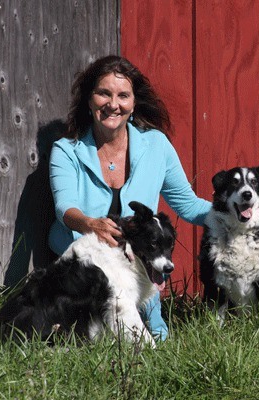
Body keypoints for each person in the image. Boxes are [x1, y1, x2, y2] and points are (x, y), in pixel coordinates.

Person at [48, 55, 211, 341]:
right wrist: (89, 223)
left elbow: (188, 204)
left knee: (157, 341)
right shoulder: (66, 150)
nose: (113, 104)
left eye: (123, 95)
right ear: (89, 100)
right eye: (104, 93)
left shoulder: (157, 145)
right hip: (85, 277)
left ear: (133, 104)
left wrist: (239, 217)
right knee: (84, 341)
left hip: (137, 275)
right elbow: (65, 207)